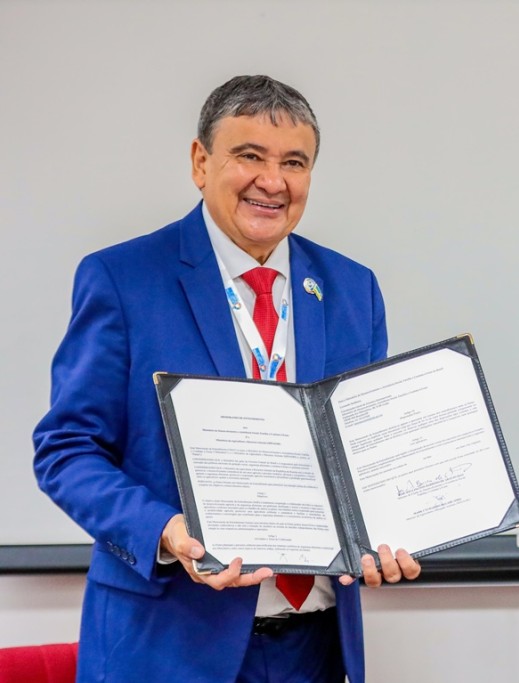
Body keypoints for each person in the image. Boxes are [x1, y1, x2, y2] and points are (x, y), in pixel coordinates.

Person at [33, 75, 420, 683]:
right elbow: (66, 450)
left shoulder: (352, 287)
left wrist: (402, 521)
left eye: (294, 162)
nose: (273, 181)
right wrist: (166, 531)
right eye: (250, 156)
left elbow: (366, 457)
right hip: (168, 647)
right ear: (200, 162)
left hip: (316, 647)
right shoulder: (123, 278)